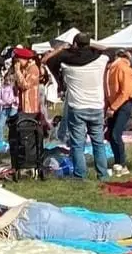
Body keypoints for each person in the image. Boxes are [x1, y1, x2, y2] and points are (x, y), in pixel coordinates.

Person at [46, 33, 109, 179]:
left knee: (77, 144)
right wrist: (89, 43)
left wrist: (63, 48)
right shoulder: (101, 60)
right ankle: (103, 174)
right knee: (98, 143)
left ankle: (80, 175)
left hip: (77, 106)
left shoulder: (67, 64)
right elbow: (106, 49)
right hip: (97, 105)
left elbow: (47, 60)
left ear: (75, 45)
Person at [104, 49, 132, 177]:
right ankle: (117, 161)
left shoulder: (122, 68)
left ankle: (122, 164)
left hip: (125, 103)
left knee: (115, 133)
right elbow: (109, 91)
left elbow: (126, 91)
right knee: (110, 134)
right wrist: (107, 107)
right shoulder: (110, 69)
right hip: (115, 103)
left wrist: (113, 107)